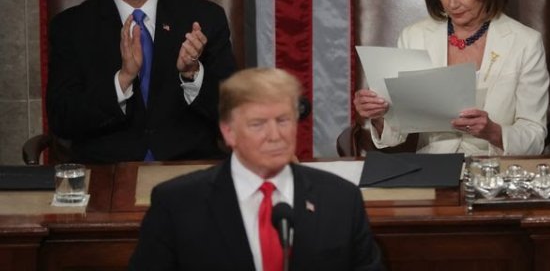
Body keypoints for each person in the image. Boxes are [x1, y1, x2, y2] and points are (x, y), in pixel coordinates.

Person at [129, 68, 383, 270]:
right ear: (229, 132)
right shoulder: (177, 204)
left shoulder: (341, 199)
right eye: (258, 124)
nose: (275, 135)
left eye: (283, 120)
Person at [46, 0, 237, 163]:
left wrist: (192, 73)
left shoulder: (204, 18)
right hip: (106, 173)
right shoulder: (71, 27)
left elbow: (232, 110)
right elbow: (62, 119)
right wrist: (122, 80)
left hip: (187, 168)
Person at [354, 0, 549, 156]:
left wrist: (493, 132)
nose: (452, 3)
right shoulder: (415, 37)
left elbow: (535, 136)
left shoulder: (526, 43)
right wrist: (378, 115)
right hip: (434, 171)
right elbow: (396, 134)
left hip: (495, 173)